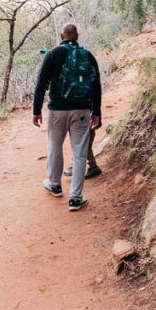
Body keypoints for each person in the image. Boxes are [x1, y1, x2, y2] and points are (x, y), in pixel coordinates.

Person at [32, 23, 102, 211]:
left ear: (62, 35)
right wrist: (97, 112)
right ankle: (76, 198)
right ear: (77, 36)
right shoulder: (88, 56)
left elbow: (41, 84)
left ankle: (54, 184)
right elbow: (96, 86)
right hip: (81, 111)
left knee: (55, 146)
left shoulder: (53, 54)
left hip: (57, 110)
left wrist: (36, 110)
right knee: (79, 154)